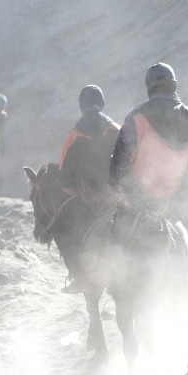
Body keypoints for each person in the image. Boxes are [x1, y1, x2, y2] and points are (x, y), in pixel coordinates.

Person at [109, 62, 188, 295]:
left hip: (140, 200)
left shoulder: (134, 117)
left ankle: (116, 284)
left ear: (149, 88)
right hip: (179, 202)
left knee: (118, 231)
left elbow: (119, 162)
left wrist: (119, 187)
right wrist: (184, 197)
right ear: (174, 86)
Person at [56, 85, 119, 293]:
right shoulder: (114, 128)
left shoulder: (75, 134)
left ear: (82, 106)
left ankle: (81, 277)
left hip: (89, 196)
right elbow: (128, 156)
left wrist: (73, 187)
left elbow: (64, 172)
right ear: (101, 103)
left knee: (62, 227)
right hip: (118, 193)